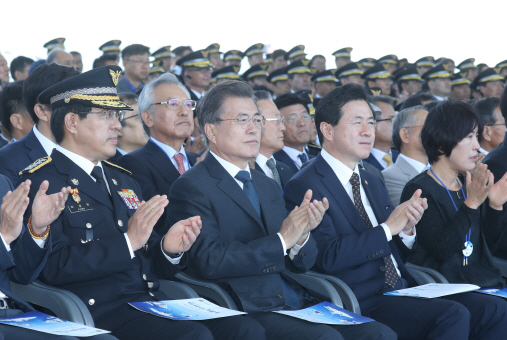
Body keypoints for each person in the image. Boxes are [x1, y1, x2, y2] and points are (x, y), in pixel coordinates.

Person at [21, 65, 263, 340]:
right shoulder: (42, 183)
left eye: (117, 116)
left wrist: (169, 248)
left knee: (244, 329)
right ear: (73, 122)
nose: (117, 124)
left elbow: (148, 256)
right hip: (95, 310)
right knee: (193, 336)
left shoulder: (121, 179)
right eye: (107, 115)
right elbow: (50, 269)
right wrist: (128, 242)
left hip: (149, 300)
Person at [165, 80, 396, 340]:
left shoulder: (265, 183)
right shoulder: (192, 186)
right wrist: (282, 240)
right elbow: (210, 260)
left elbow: (303, 262)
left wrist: (301, 237)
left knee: (378, 334)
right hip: (245, 305)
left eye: (257, 119)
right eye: (242, 120)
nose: (254, 129)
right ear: (211, 130)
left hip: (297, 297)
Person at [284, 84, 502, 340]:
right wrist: (388, 228)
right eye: (357, 123)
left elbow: (397, 250)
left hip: (404, 287)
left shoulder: (371, 179)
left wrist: (407, 230)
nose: (368, 131)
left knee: (493, 309)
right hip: (357, 296)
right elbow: (327, 258)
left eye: (371, 122)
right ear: (327, 130)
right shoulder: (307, 184)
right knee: (451, 315)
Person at [399, 100, 507, 339]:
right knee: (498, 310)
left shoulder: (465, 183)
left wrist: (495, 206)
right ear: (441, 141)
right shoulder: (419, 189)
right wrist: (470, 205)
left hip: (478, 277)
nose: (477, 147)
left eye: (477, 137)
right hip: (445, 283)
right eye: (468, 137)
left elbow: (485, 243)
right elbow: (442, 249)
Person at [0, 175, 116, 340]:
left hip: (13, 313)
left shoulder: (2, 183)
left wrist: (37, 229)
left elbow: (21, 274)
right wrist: (3, 237)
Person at [118, 73, 199, 235]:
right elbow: (157, 225)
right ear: (148, 117)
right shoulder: (131, 164)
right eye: (173, 104)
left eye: (188, 104)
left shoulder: (199, 161)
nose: (184, 112)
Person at [0, 64, 79, 185]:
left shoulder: (89, 148)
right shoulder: (8, 160)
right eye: (69, 104)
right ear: (42, 111)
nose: (79, 112)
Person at [382, 106, 428, 206]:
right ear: (405, 134)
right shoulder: (391, 176)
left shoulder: (439, 170)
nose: (435, 131)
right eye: (428, 126)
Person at [253, 90, 294, 190]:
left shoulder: (286, 170)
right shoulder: (244, 171)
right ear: (256, 122)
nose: (282, 127)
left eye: (281, 120)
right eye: (277, 120)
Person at [273, 94, 313, 173]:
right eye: (293, 119)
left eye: (305, 117)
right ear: (279, 124)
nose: (301, 123)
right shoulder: (274, 163)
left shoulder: (317, 158)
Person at [363, 96, 399, 170]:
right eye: (391, 120)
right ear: (372, 124)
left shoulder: (402, 158)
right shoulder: (360, 162)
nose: (398, 125)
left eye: (397, 120)